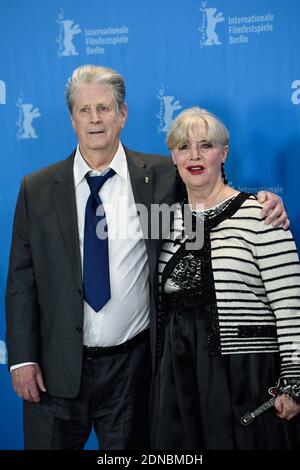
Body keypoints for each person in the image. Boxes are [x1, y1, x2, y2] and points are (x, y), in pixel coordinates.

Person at [5, 65, 289, 450]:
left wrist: (266, 203)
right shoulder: (36, 188)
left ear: (122, 115)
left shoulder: (159, 175)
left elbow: (209, 190)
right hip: (55, 371)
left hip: (133, 370)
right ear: (71, 118)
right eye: (84, 110)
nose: (95, 120)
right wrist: (22, 358)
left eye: (104, 108)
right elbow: (21, 281)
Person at [151, 107, 300, 450]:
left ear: (224, 152)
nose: (195, 156)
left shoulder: (261, 215)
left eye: (205, 145)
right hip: (176, 375)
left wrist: (293, 383)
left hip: (246, 373)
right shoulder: (162, 221)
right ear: (173, 156)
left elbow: (290, 309)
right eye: (184, 147)